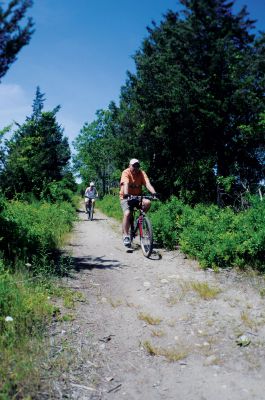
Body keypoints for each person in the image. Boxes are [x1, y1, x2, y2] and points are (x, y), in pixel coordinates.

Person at [120, 158, 157, 247]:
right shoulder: (126, 172)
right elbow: (125, 183)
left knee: (147, 202)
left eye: (137, 166)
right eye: (134, 166)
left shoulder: (141, 173)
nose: (136, 168)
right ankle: (125, 235)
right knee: (128, 213)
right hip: (126, 197)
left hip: (137, 197)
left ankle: (140, 220)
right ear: (129, 166)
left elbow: (147, 183)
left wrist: (154, 193)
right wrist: (126, 194)